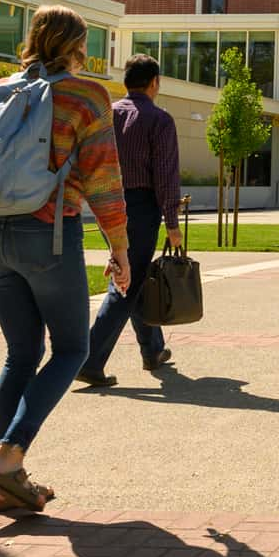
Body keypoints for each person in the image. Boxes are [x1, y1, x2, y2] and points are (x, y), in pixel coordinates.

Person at [0, 6, 129, 515]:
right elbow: (103, 180)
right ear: (78, 44)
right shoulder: (86, 95)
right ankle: (8, 456)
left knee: (20, 353)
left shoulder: (6, 87)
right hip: (49, 234)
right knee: (71, 349)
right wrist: (120, 249)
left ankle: (8, 482)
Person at [77, 54, 179, 389]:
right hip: (141, 206)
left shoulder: (107, 115)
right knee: (126, 282)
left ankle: (153, 349)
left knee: (130, 274)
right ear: (154, 82)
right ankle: (90, 360)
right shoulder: (159, 120)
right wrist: (173, 223)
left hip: (107, 202)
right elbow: (165, 175)